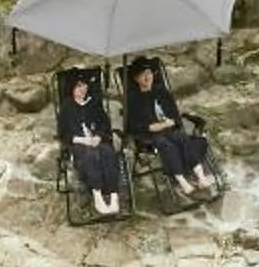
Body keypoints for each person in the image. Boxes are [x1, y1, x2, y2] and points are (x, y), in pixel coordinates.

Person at [124, 57, 217, 199]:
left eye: (149, 73)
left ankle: (201, 177)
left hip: (170, 129)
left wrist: (170, 122)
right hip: (150, 137)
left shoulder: (162, 92)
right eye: (143, 75)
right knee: (166, 145)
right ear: (136, 79)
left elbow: (174, 115)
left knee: (182, 137)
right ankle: (182, 181)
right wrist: (157, 126)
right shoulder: (133, 100)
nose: (147, 77)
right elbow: (135, 125)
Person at [58, 71, 125, 218]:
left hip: (97, 141)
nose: (82, 89)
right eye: (78, 86)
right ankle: (98, 195)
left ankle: (114, 196)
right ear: (72, 89)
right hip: (79, 144)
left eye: (84, 85)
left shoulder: (94, 104)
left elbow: (105, 125)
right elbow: (63, 134)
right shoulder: (67, 107)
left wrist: (98, 137)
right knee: (90, 156)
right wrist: (83, 140)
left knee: (108, 152)